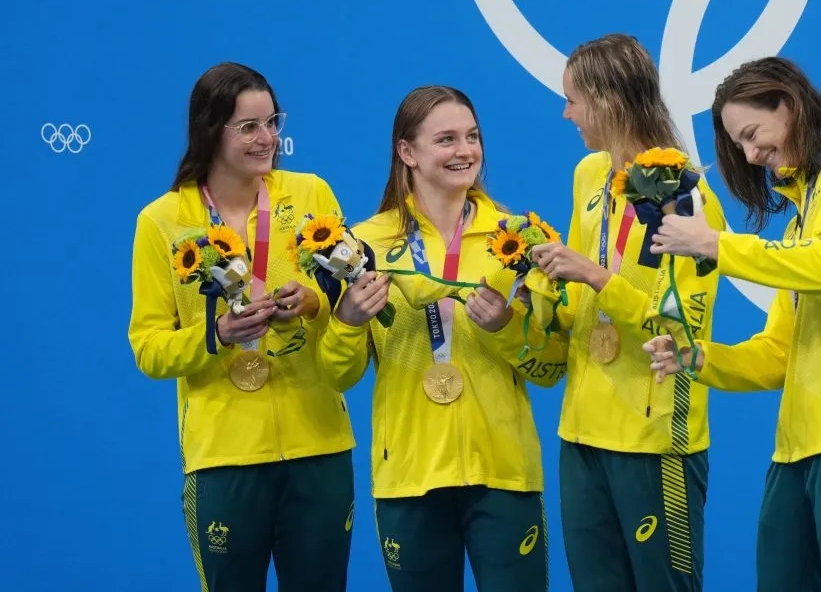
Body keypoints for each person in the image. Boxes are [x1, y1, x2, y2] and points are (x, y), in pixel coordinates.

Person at [645, 56, 821, 591]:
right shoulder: (801, 221)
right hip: (796, 449)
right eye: (740, 147)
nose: (752, 155)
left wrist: (715, 245)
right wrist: (697, 357)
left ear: (787, 103)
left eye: (752, 134)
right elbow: (778, 352)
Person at [317, 85, 567, 592]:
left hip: (503, 474)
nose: (465, 151)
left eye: (472, 137)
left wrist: (505, 329)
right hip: (409, 475)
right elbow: (336, 375)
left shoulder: (523, 239)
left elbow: (552, 368)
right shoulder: (366, 243)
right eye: (446, 139)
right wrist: (347, 321)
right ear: (406, 152)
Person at [128, 62, 356, 591]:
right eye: (249, 126)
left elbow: (347, 291)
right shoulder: (160, 221)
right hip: (223, 457)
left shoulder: (311, 195)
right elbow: (149, 348)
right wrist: (217, 336)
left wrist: (312, 301)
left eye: (273, 122)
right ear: (211, 129)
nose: (268, 138)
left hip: (319, 445)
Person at [531, 33, 725, 592]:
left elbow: (685, 320)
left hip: (653, 435)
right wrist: (538, 291)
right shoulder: (589, 175)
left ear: (611, 101)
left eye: (574, 100)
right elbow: (578, 295)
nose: (566, 114)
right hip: (582, 432)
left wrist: (597, 277)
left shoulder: (688, 197)